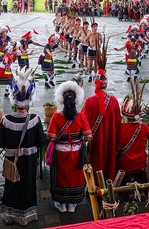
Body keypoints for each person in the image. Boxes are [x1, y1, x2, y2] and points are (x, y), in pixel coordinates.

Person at [0, 68, 46, 224]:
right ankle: (27, 216)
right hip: (30, 161)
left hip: (12, 160)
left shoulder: (5, 120)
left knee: (11, 184)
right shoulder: (35, 120)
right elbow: (42, 142)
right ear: (29, 102)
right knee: (28, 185)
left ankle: (10, 216)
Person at [48, 80, 92, 213]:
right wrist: (79, 140)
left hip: (60, 154)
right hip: (77, 154)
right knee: (75, 177)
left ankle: (61, 204)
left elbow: (51, 136)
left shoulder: (56, 116)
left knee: (61, 177)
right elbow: (89, 136)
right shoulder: (80, 117)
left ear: (61, 100)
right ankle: (72, 205)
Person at [82, 69, 121, 182]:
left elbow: (83, 121)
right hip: (110, 140)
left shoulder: (89, 101)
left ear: (95, 83)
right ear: (106, 84)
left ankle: (95, 188)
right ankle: (109, 185)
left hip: (96, 141)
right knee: (109, 161)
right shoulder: (113, 101)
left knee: (95, 162)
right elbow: (119, 122)